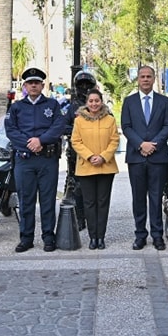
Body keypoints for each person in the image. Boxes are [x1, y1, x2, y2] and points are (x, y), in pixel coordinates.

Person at [5, 67, 66, 253]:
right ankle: (26, 238)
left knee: (47, 200)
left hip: (47, 160)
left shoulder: (53, 105)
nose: (33, 85)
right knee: (26, 200)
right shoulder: (16, 107)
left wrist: (41, 140)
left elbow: (59, 126)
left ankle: (48, 237)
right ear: (25, 85)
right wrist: (29, 143)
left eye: (37, 83)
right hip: (25, 160)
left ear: (42, 85)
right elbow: (11, 131)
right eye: (30, 83)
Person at [121, 65, 168, 251]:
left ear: (153, 79)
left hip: (157, 157)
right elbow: (126, 127)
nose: (145, 79)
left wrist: (153, 144)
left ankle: (157, 235)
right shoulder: (129, 101)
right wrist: (140, 144)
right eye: (142, 76)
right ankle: (140, 235)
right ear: (138, 80)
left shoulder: (164, 102)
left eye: (148, 76)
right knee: (138, 198)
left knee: (156, 197)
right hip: (136, 157)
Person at [70, 88, 119, 250]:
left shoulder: (110, 120)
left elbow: (114, 140)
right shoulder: (79, 121)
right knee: (89, 203)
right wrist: (90, 156)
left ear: (101, 102)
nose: (94, 104)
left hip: (106, 167)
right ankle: (93, 237)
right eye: (91, 101)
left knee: (103, 203)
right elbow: (76, 141)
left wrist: (103, 156)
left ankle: (101, 237)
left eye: (97, 101)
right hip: (86, 167)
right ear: (87, 103)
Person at [63, 70, 98, 230]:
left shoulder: (99, 105)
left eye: (87, 85)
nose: (84, 88)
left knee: (96, 187)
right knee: (76, 186)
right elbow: (62, 126)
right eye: (81, 85)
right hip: (76, 154)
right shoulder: (71, 107)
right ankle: (80, 218)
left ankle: (95, 219)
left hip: (96, 152)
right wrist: (76, 130)